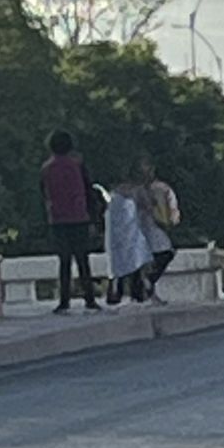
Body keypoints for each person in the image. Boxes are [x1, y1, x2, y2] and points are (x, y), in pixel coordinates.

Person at [40, 130, 101, 313]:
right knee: (83, 260)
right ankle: (89, 299)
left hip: (58, 220)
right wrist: (93, 217)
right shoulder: (77, 165)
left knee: (64, 261)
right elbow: (88, 191)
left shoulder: (46, 168)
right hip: (79, 217)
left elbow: (44, 193)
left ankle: (64, 301)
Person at [105, 163, 154, 305]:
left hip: (115, 235)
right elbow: (148, 207)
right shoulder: (137, 191)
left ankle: (115, 292)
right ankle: (138, 291)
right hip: (132, 232)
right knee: (136, 261)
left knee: (117, 265)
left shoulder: (115, 192)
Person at [139, 157, 178, 305]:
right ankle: (146, 289)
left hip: (155, 226)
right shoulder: (136, 189)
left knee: (164, 254)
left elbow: (171, 207)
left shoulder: (160, 188)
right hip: (142, 228)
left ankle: (148, 286)